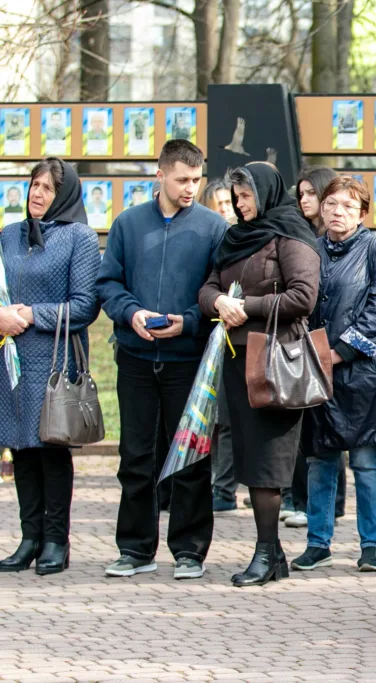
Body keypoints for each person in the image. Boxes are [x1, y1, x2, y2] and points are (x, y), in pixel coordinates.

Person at [96, 140, 227, 580]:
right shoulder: (128, 224)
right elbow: (108, 284)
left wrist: (188, 322)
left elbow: (218, 292)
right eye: (183, 180)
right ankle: (134, 549)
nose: (191, 188)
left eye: (197, 180)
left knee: (191, 454)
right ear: (160, 175)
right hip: (135, 356)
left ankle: (189, 550)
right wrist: (130, 313)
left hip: (187, 358)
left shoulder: (213, 228)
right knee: (136, 456)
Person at [198, 162, 320, 587]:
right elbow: (208, 284)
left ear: (265, 193)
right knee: (250, 458)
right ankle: (273, 553)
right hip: (237, 362)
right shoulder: (235, 238)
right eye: (236, 196)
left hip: (275, 361)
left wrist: (245, 306)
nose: (239, 203)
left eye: (246, 195)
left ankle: (266, 553)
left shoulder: (289, 234)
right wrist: (218, 303)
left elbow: (303, 297)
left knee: (268, 462)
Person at [292, 175, 376, 573]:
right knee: (319, 461)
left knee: (366, 462)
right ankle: (317, 541)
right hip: (315, 373)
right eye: (333, 204)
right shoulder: (308, 250)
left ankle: (371, 544)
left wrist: (340, 352)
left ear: (362, 213)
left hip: (363, 376)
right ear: (321, 207)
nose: (339, 213)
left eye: (349, 207)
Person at [0, 158, 100, 576]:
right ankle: (29, 538)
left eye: (47, 188)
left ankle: (56, 539)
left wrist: (28, 314)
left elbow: (84, 305)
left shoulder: (79, 237)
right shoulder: (8, 235)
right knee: (21, 448)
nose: (37, 194)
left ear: (64, 195)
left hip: (55, 358)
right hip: (12, 359)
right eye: (33, 186)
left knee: (51, 448)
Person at [282, 165, 340, 527]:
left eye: (310, 193)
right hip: (301, 342)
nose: (304, 199)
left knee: (337, 434)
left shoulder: (336, 240)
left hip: (334, 346)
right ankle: (303, 500)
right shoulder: (298, 232)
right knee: (307, 428)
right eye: (300, 193)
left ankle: (330, 505)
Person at [296, 166, 337, 237]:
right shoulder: (296, 230)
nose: (303, 200)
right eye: (301, 195)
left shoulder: (342, 232)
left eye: (311, 193)